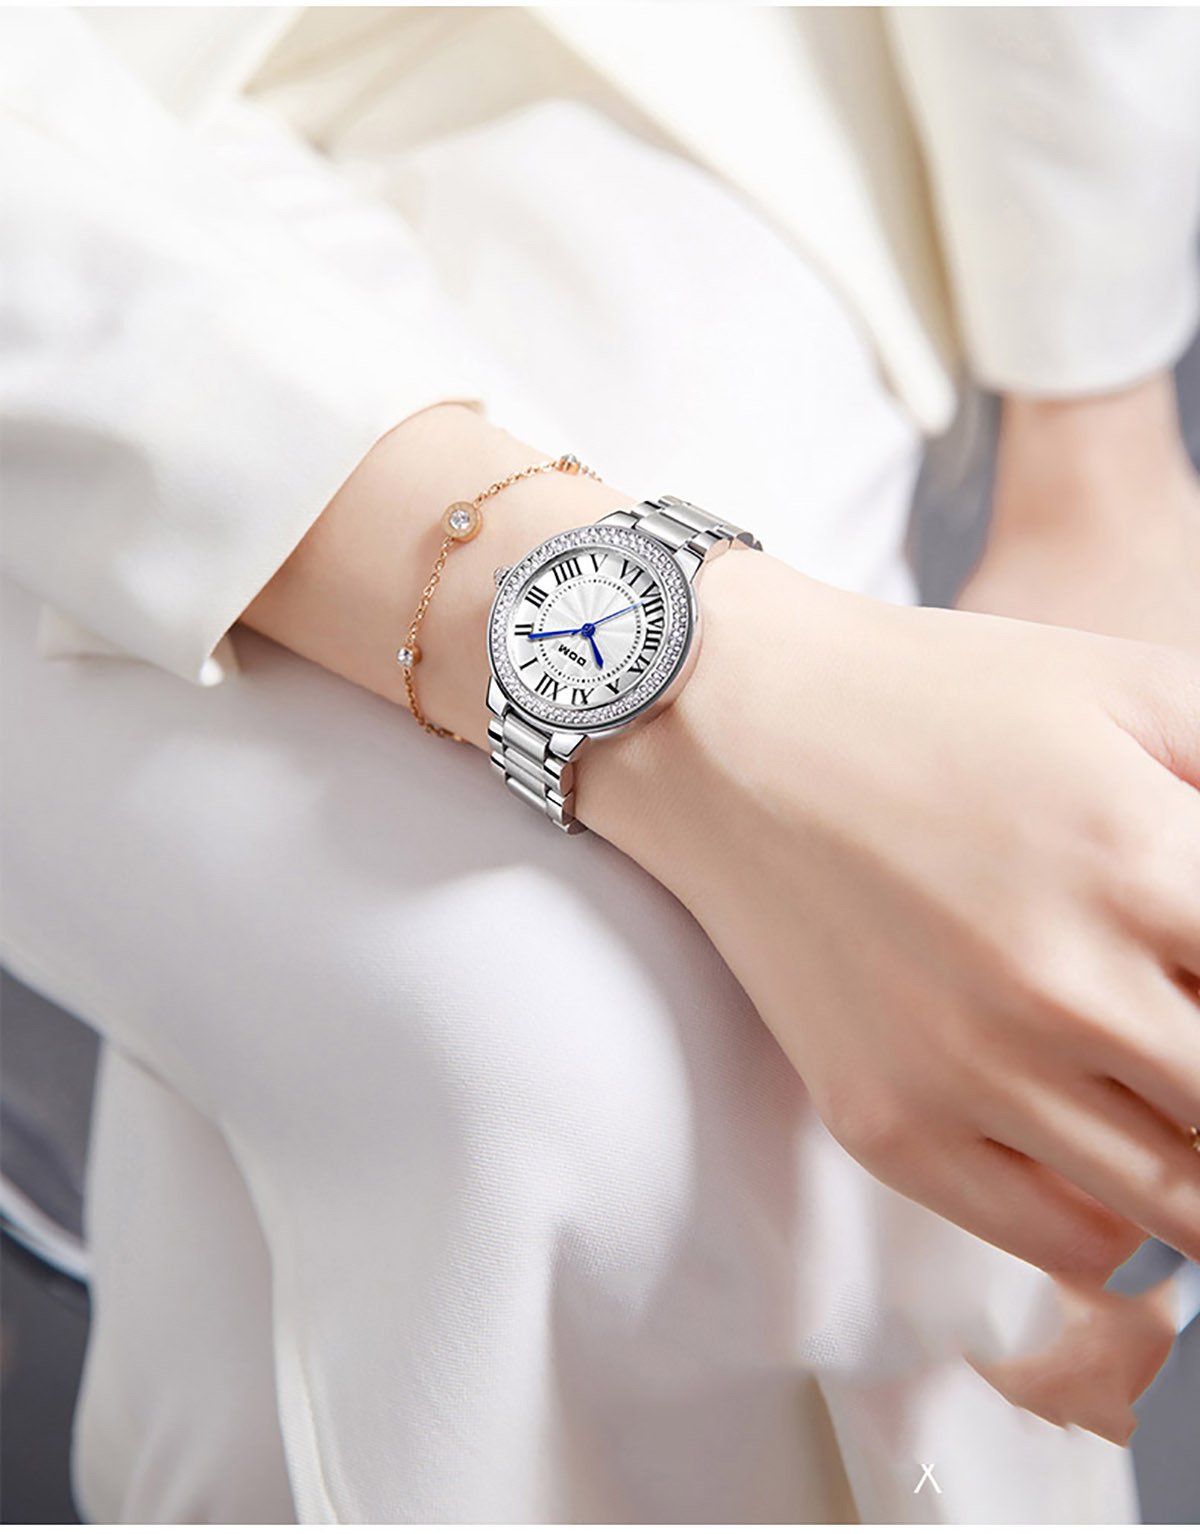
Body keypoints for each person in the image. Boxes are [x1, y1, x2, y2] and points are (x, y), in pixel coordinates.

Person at [1, 5, 1197, 1523]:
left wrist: (1098, 458)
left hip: (713, 78)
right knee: (563, 1070)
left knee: (727, 1085)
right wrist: (709, 684)